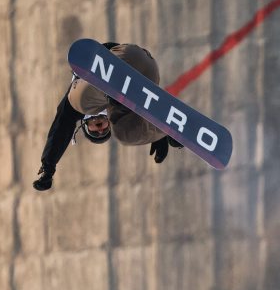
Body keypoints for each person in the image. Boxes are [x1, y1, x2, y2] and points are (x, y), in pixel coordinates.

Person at [33, 42, 179, 191]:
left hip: (127, 58)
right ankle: (167, 129)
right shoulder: (122, 114)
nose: (100, 128)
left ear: (85, 123)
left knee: (78, 104)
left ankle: (110, 87)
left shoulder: (76, 106)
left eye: (95, 130)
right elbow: (149, 108)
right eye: (104, 129)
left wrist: (48, 167)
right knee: (125, 134)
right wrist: (160, 135)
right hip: (149, 71)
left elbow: (61, 128)